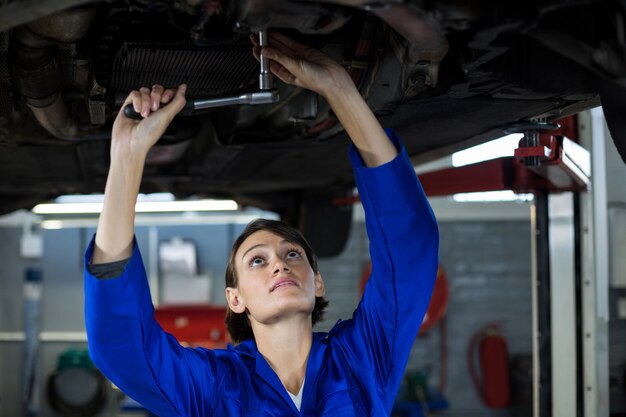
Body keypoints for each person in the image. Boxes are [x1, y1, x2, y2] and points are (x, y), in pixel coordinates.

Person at [84, 32, 439, 416]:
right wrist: (126, 158)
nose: (279, 263)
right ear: (235, 300)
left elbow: (408, 251)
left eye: (292, 254)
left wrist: (340, 89)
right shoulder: (214, 386)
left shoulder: (363, 361)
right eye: (257, 260)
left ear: (317, 283)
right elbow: (123, 347)